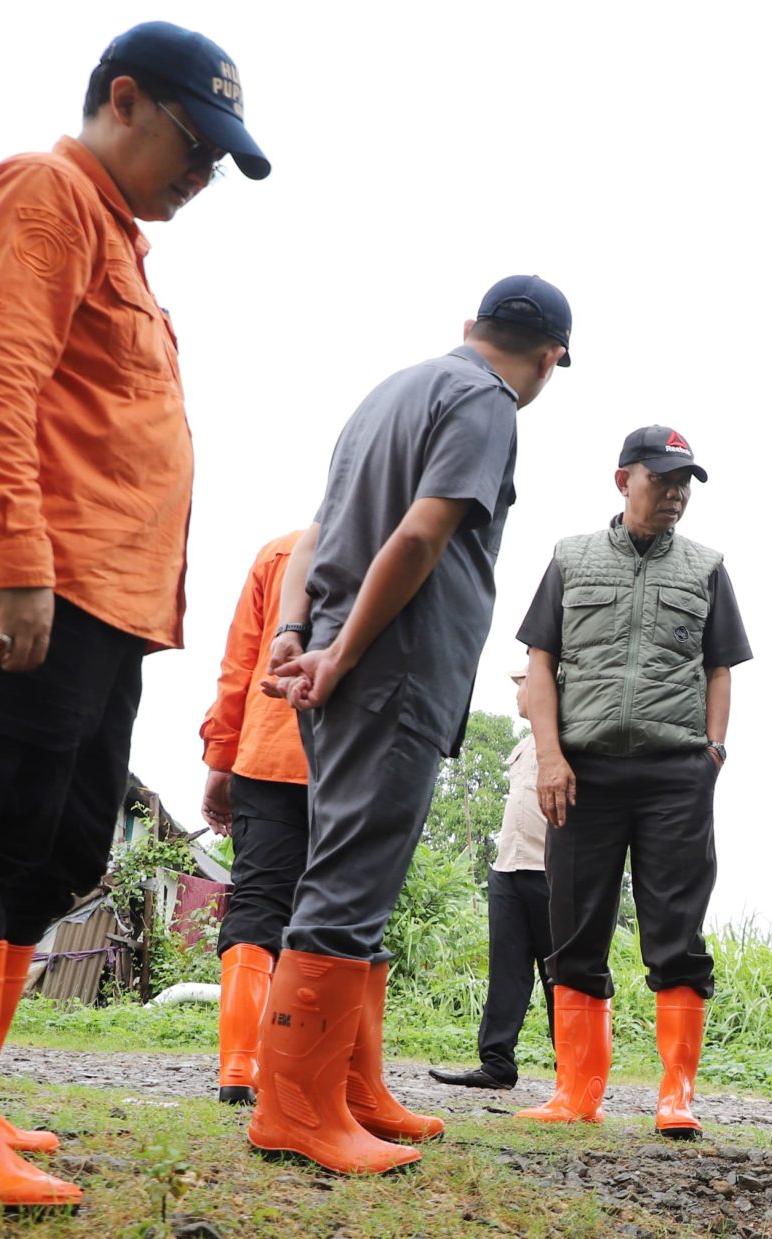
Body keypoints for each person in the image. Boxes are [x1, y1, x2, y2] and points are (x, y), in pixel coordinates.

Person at [0, 21, 270, 1207]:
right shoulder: (42, 192)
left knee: (57, 845)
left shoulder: (117, 237)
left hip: (105, 600)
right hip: (41, 584)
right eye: (195, 147)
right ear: (125, 100)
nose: (201, 178)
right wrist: (17, 560)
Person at [255, 276, 571, 1176]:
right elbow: (422, 536)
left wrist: (297, 636)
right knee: (348, 883)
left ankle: (350, 1092)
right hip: (387, 668)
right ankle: (295, 1111)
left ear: (470, 326)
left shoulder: (389, 394)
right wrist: (347, 654)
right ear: (550, 357)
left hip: (336, 654)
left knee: (352, 871)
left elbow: (316, 536)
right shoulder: (487, 401)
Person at [509, 426, 750, 1135]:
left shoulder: (706, 567)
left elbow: (719, 668)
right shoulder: (571, 558)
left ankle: (676, 1095)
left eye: (685, 483)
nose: (675, 494)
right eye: (662, 480)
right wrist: (550, 757)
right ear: (624, 480)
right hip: (582, 773)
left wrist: (712, 753)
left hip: (675, 774)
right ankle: (576, 1093)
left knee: (676, 930)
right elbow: (542, 662)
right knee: (575, 928)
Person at [197, 527, 310, 1103]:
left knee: (259, 899)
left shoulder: (279, 552)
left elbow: (241, 662)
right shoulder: (401, 546)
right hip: (358, 764)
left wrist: (220, 757)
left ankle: (238, 1067)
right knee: (343, 911)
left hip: (268, 751)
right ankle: (311, 1068)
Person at [429, 660, 554, 1090]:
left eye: (523, 685)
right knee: (506, 971)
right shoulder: (523, 744)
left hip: (550, 872)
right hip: (509, 869)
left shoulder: (569, 740)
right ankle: (497, 1063)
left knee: (562, 973)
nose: (518, 694)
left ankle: (575, 1072)